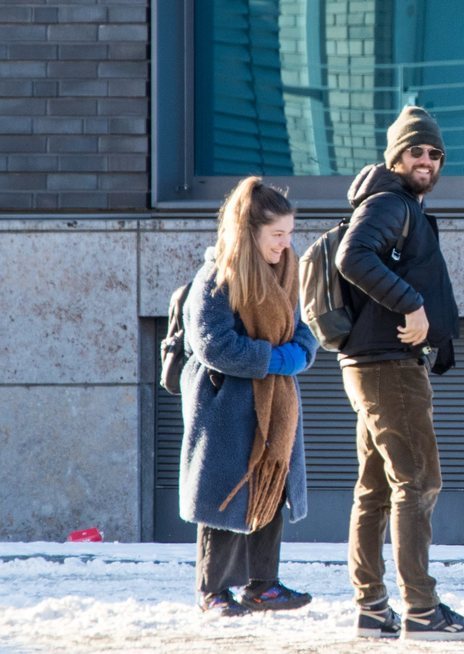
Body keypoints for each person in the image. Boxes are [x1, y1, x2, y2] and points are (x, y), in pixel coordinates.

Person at [334, 105, 464, 641]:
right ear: (395, 156)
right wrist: (413, 306)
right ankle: (422, 611)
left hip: (376, 364)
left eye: (434, 152)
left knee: (375, 489)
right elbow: (352, 258)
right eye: (416, 150)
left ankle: (372, 609)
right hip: (387, 365)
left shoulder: (399, 206)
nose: (426, 159)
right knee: (418, 482)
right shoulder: (389, 202)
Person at [179, 176, 318, 617]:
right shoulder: (216, 277)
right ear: (250, 232)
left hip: (274, 404)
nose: (285, 243)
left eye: (289, 234)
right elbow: (213, 344)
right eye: (277, 235)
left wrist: (300, 352)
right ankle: (212, 589)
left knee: (270, 486)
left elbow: (303, 326)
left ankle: (263, 583)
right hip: (226, 406)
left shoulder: (287, 271)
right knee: (224, 495)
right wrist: (272, 360)